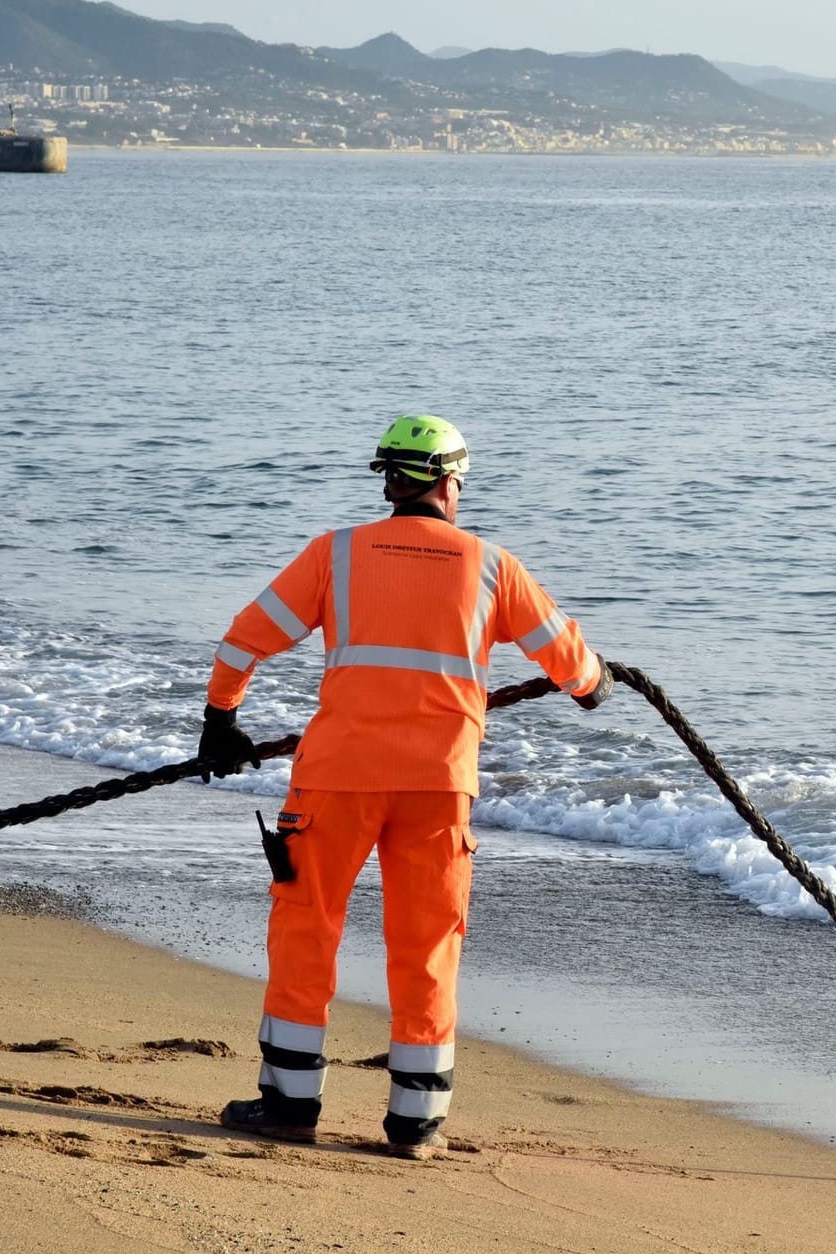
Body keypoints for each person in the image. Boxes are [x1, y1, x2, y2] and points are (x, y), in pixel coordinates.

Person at [195, 414, 612, 1159]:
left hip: (336, 781)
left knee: (305, 929)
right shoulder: (492, 566)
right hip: (438, 789)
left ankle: (290, 1107)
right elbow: (577, 673)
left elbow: (244, 638)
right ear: (453, 482)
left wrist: (221, 719)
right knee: (426, 947)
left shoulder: (337, 554)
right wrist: (597, 683)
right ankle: (415, 1125)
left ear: (388, 479)